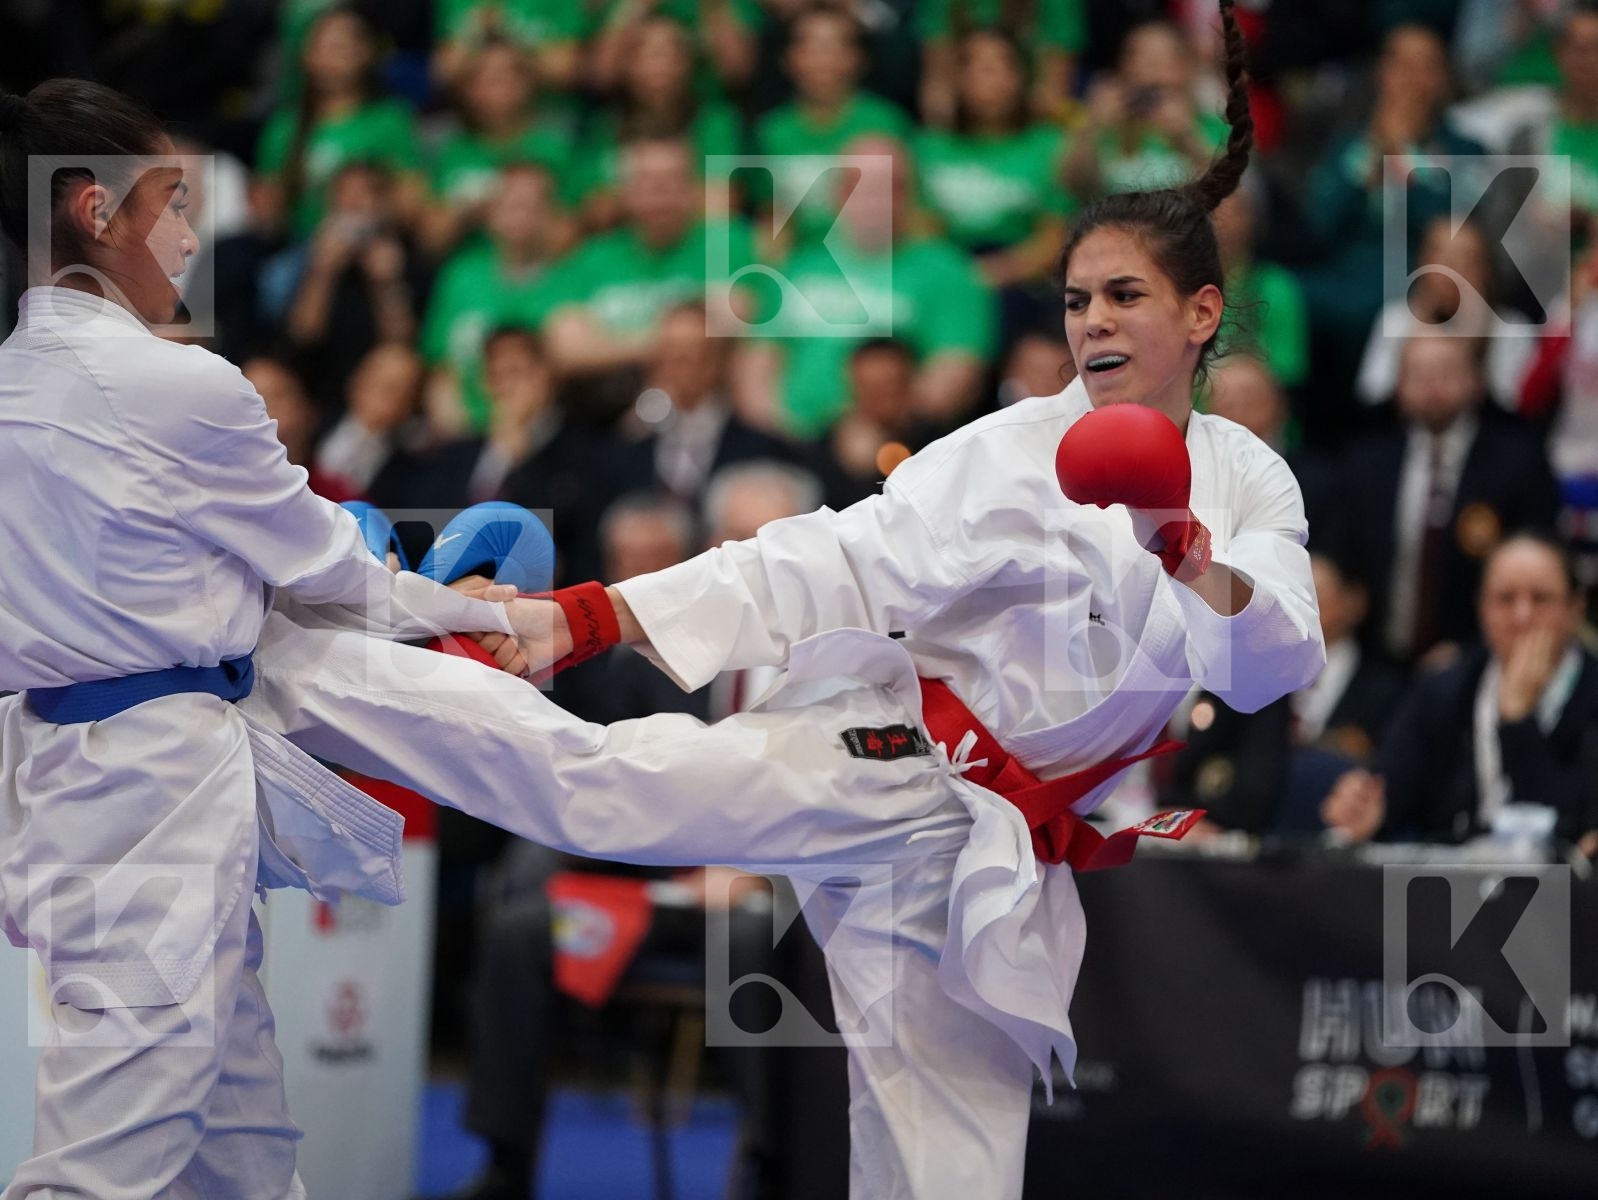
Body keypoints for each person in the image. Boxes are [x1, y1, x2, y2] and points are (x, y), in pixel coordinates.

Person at [237, 6, 1324, 1195]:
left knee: (949, 1165)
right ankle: (301, 659)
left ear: (1200, 314)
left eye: (1122, 297)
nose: (1093, 323)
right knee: (602, 786)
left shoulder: (1241, 475)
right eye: (1074, 300)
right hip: (886, 755)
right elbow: (831, 557)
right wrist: (593, 616)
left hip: (989, 855)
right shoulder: (1015, 449)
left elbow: (1272, 659)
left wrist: (1180, 549)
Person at [0, 80, 517, 1199]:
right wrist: (484, 607)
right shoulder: (175, 383)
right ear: (96, 212)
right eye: (172, 200)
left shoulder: (18, 378)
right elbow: (332, 569)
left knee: (241, 1150)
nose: (191, 234)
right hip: (148, 790)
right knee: (104, 1162)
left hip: (79, 775)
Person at [1321, 532, 1598, 857]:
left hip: (1560, 897)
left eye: (1540, 599)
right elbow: (1394, 790)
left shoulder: (1591, 692)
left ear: (1575, 608)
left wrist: (1518, 722)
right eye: (1505, 599)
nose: (1522, 616)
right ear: (1482, 608)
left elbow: (1569, 824)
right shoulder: (1446, 689)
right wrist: (1370, 811)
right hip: (1445, 889)